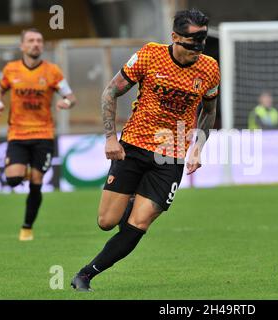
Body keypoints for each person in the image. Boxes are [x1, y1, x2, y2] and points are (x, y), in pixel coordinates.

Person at [71, 9, 220, 291]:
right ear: (174, 37)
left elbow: (209, 111)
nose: (197, 50)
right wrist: (110, 138)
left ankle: (85, 275)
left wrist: (198, 147)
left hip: (170, 156)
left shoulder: (209, 68)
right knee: (107, 221)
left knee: (140, 223)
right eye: (191, 43)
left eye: (201, 43)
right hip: (133, 147)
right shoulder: (150, 56)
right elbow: (110, 92)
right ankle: (129, 201)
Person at [0, 28, 77, 241]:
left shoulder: (52, 71)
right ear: (22, 46)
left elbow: (71, 96)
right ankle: (27, 171)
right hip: (18, 134)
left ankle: (27, 227)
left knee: (36, 181)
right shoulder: (11, 70)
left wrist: (66, 102)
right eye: (31, 41)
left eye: (39, 40)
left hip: (43, 134)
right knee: (12, 180)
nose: (36, 44)